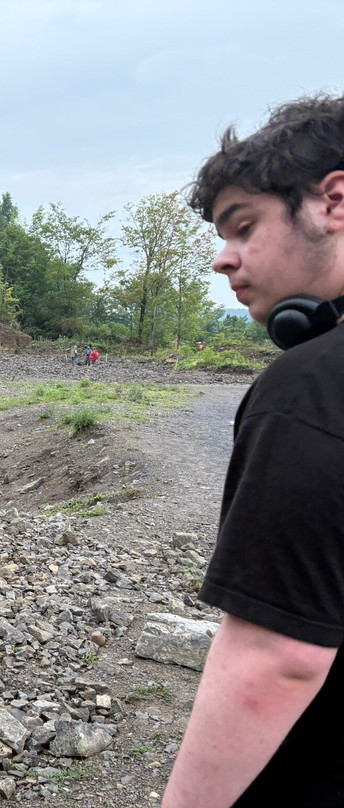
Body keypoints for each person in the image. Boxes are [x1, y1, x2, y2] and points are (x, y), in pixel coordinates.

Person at [164, 95, 344, 807]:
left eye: (244, 227)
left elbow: (277, 658)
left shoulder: (311, 390)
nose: (222, 259)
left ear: (334, 200)